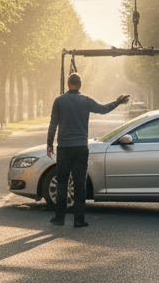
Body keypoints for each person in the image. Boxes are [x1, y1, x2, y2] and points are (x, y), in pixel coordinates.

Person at [46, 73, 130, 227]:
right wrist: (118, 101)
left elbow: (53, 123)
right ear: (80, 85)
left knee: (62, 184)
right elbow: (103, 109)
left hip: (64, 148)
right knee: (80, 184)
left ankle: (59, 218)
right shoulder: (86, 101)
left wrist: (49, 143)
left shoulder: (59, 101)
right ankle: (79, 220)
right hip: (80, 148)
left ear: (68, 84)